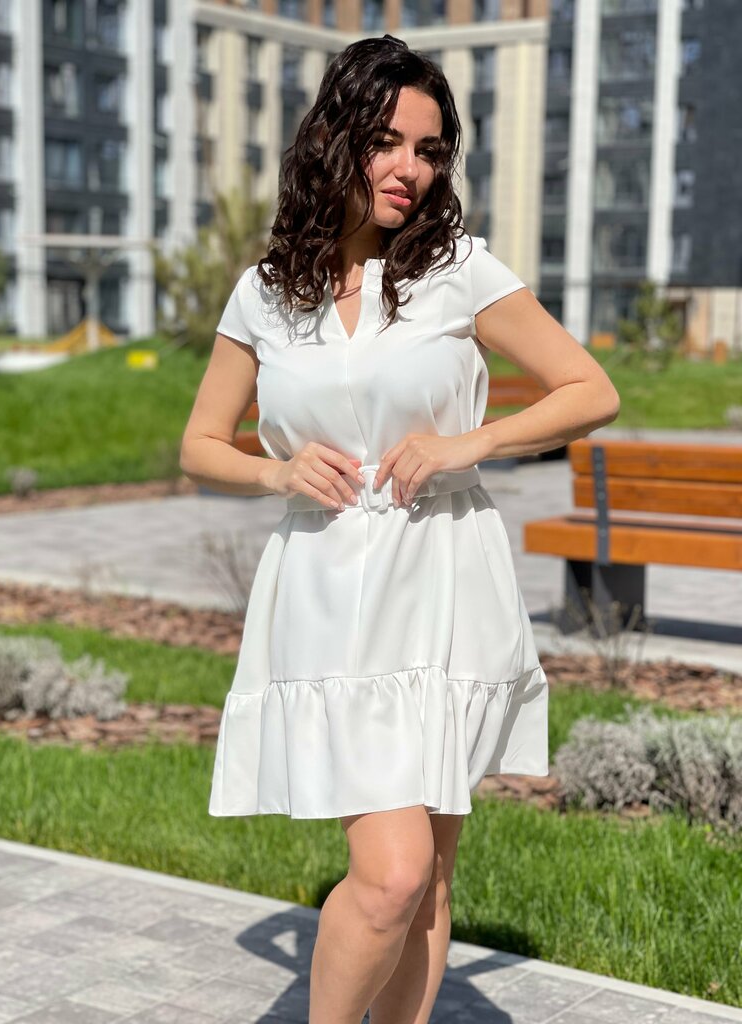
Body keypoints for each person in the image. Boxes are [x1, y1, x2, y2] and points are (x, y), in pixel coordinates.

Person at [180, 33, 620, 1024]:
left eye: (428, 150)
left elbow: (591, 388)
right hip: (329, 591)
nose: (409, 169)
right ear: (334, 140)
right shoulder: (265, 292)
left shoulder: (458, 270)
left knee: (426, 884)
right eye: (387, 142)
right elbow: (200, 444)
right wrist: (276, 468)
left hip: (444, 576)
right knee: (391, 872)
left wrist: (472, 442)